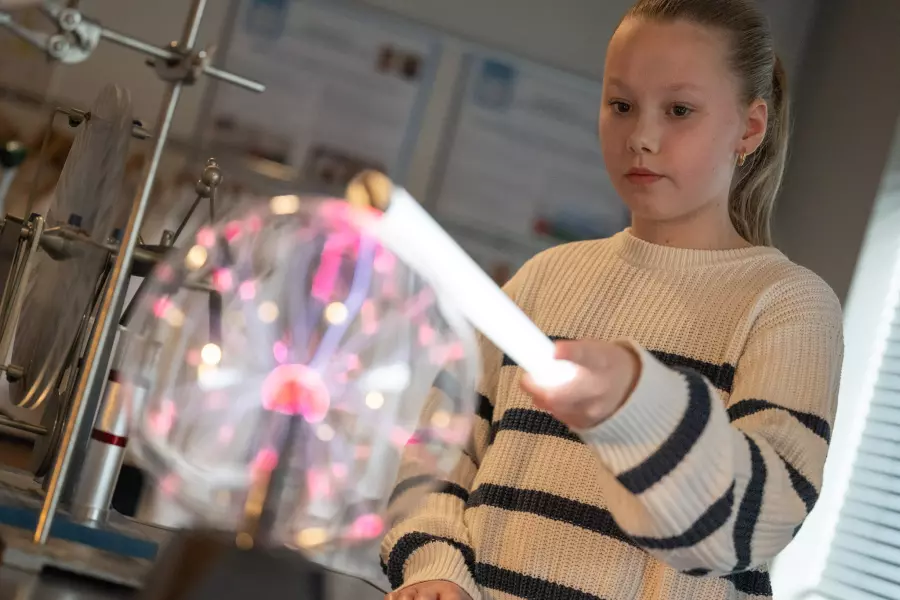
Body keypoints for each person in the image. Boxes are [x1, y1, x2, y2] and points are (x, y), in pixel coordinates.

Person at [381, 0, 844, 598]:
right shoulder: (542, 278)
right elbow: (434, 459)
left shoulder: (788, 306)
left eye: (679, 110)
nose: (641, 138)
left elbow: (751, 528)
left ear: (749, 128)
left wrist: (638, 407)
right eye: (622, 105)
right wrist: (435, 569)